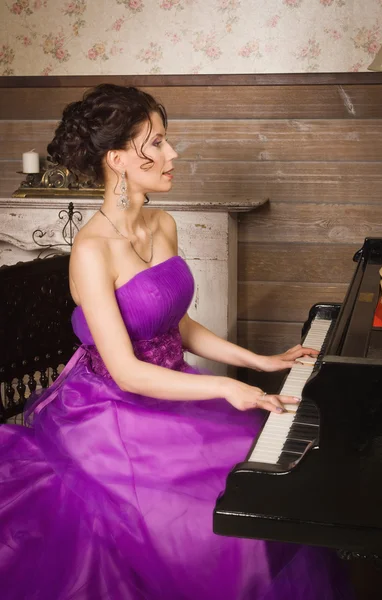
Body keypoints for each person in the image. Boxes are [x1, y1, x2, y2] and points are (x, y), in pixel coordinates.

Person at [0, 84, 354, 600]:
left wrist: (258, 360)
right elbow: (126, 371)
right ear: (118, 159)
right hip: (111, 409)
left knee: (263, 466)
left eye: (167, 142)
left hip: (170, 387)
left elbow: (178, 326)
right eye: (158, 143)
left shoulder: (162, 224)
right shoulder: (92, 250)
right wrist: (227, 390)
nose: (172, 155)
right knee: (203, 519)